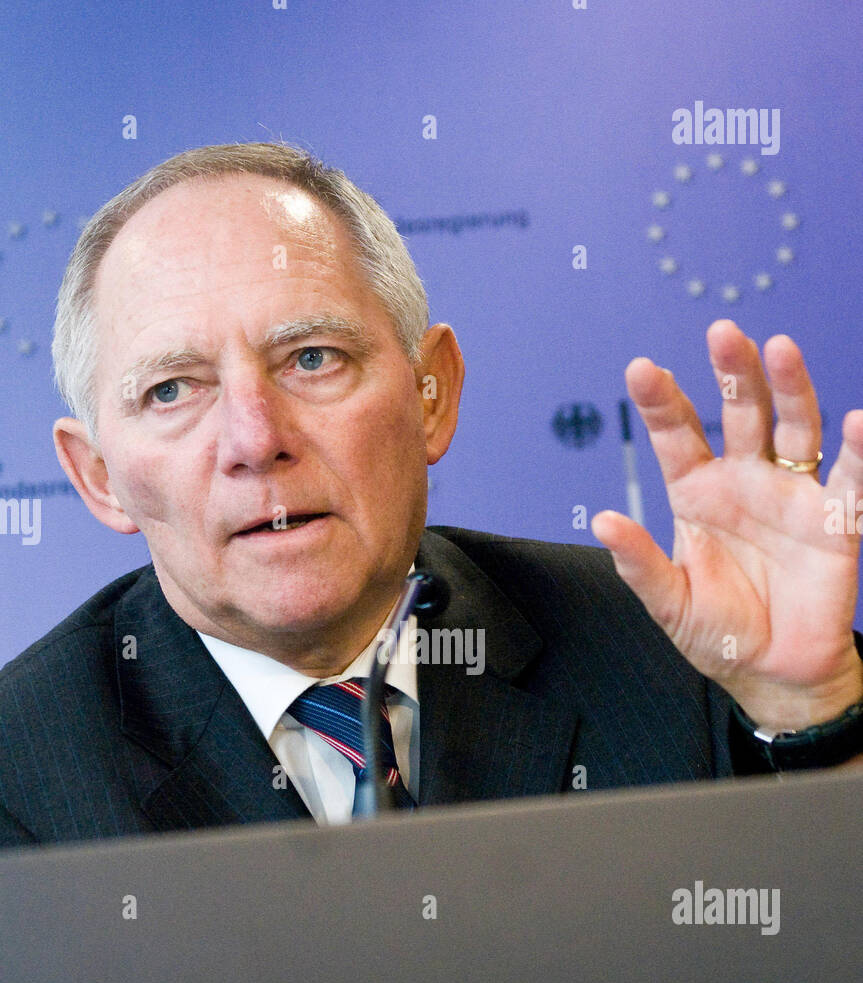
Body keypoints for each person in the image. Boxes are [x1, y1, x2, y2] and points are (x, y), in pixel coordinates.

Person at [1, 141, 862, 848]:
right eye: (173, 390)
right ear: (100, 479)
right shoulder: (22, 777)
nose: (255, 438)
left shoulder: (673, 653)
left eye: (311, 358)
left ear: (431, 394)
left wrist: (808, 711)